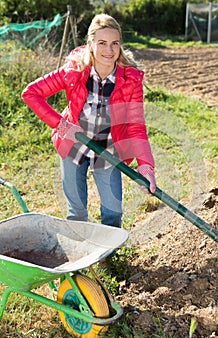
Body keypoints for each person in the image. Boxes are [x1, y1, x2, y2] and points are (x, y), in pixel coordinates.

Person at [22, 13, 156, 228]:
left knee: (112, 212)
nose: (109, 50)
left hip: (108, 150)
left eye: (115, 43)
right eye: (102, 43)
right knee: (76, 213)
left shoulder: (130, 80)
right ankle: (81, 255)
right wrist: (61, 125)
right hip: (73, 146)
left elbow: (135, 126)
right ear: (90, 44)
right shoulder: (73, 71)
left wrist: (146, 166)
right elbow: (31, 93)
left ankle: (108, 260)